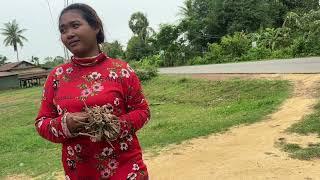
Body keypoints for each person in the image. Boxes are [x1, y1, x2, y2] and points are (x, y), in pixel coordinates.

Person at [35, 3, 150, 180]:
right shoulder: (56, 77)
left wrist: (115, 125)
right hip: (80, 173)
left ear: (95, 26)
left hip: (126, 170)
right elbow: (41, 123)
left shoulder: (121, 70)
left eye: (75, 25)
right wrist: (66, 124)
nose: (69, 34)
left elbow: (142, 112)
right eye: (63, 30)